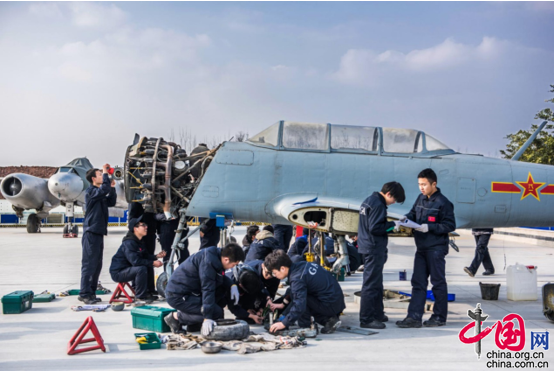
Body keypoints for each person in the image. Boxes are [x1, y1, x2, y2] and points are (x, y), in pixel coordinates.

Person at [397, 168, 456, 328]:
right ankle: (414, 318)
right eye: (419, 184)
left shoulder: (443, 203)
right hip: (421, 248)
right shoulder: (420, 198)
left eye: (424, 184)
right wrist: (405, 219)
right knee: (418, 283)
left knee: (438, 283)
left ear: (434, 184)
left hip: (436, 249)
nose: (421, 188)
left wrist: (429, 227)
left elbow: (450, 225)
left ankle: (439, 317)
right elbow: (412, 214)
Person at [164, 243, 245, 335]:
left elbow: (220, 276)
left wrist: (232, 285)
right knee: (215, 313)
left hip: (190, 293)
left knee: (218, 302)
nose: (233, 267)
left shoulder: (216, 256)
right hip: (177, 296)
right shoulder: (208, 263)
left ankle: (194, 324)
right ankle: (175, 317)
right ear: (226, 259)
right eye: (234, 265)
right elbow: (207, 289)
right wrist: (207, 318)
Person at [357, 181, 406, 329]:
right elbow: (375, 228)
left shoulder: (368, 201)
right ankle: (366, 319)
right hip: (373, 248)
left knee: (376, 283)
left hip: (367, 246)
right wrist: (393, 225)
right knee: (371, 284)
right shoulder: (378, 204)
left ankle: (377, 313)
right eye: (394, 199)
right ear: (389, 194)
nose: (393, 203)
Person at [264, 250, 345, 334]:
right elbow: (292, 291)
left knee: (301, 301)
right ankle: (329, 319)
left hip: (331, 305)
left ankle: (308, 327)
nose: (275, 276)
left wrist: (284, 323)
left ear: (283, 268)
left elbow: (299, 305)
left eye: (274, 273)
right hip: (336, 301)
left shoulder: (297, 278)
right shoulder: (301, 265)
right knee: (296, 293)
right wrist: (283, 308)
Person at [79, 164, 117, 304]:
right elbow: (104, 189)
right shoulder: (91, 192)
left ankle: (91, 293)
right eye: (100, 174)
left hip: (98, 232)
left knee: (97, 264)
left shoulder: (98, 193)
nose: (103, 175)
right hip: (91, 232)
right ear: (94, 179)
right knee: (89, 264)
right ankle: (84, 293)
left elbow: (111, 201)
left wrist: (112, 188)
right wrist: (107, 175)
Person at [109, 215, 166, 303]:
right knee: (141, 268)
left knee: (145, 265)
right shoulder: (129, 243)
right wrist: (152, 263)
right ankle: (140, 297)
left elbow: (145, 256)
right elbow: (135, 261)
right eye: (143, 225)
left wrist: (156, 256)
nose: (146, 227)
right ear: (135, 229)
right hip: (119, 272)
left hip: (128, 269)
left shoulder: (139, 241)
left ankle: (146, 292)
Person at [128, 202, 158, 292]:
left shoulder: (154, 201)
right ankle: (137, 287)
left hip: (150, 233)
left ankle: (150, 288)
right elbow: (132, 219)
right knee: (141, 260)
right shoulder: (135, 202)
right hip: (141, 235)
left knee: (149, 259)